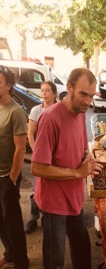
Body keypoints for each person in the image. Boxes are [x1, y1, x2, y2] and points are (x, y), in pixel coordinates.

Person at [31, 68, 104, 269]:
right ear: (69, 88)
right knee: (54, 263)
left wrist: (88, 160)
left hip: (74, 201)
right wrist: (77, 172)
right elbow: (37, 167)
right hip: (54, 205)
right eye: (83, 94)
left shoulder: (81, 114)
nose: (88, 101)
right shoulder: (50, 118)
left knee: (82, 251)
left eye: (92, 96)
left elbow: (82, 147)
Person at [0, 66, 30, 269]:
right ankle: (9, 254)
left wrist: (12, 179)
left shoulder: (16, 112)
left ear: (8, 85)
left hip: (7, 176)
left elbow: (20, 150)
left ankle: (21, 265)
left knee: (12, 222)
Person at [25, 81, 58, 234]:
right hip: (40, 154)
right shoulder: (36, 110)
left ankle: (47, 216)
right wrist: (36, 152)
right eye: (42, 90)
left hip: (55, 156)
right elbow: (30, 133)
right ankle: (33, 217)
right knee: (36, 187)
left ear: (55, 93)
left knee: (51, 189)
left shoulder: (60, 110)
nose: (44, 93)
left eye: (48, 91)